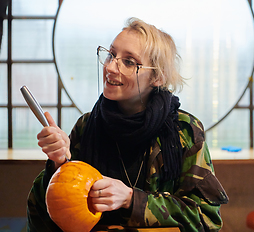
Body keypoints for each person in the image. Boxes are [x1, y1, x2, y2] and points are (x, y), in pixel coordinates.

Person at [27, 17, 228, 232]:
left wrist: (132, 199)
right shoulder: (87, 126)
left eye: (129, 62)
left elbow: (206, 219)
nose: (111, 67)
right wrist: (58, 166)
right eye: (111, 55)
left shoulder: (184, 131)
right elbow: (45, 216)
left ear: (157, 77)